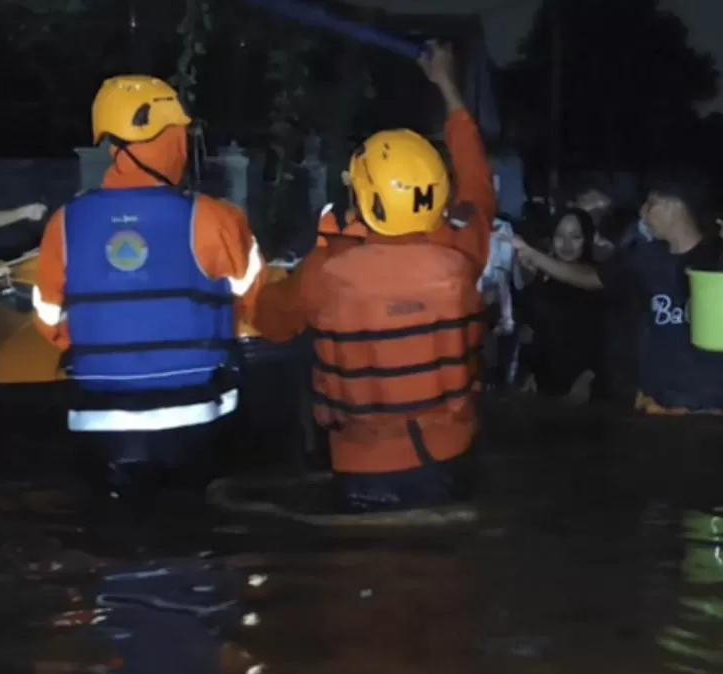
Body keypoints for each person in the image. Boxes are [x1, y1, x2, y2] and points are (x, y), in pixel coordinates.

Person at [252, 42, 495, 514]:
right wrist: (447, 85)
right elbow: (478, 184)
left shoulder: (327, 270)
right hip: (450, 463)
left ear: (364, 198)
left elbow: (270, 322)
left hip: (362, 471)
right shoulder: (462, 250)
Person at [33, 75, 265, 498]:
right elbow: (255, 306)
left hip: (100, 424)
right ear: (172, 139)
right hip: (196, 419)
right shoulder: (216, 218)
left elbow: (49, 325)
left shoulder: (63, 224)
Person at [516, 169, 723, 415]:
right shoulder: (644, 258)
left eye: (650, 203)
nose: (643, 213)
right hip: (651, 404)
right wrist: (533, 256)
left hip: (706, 408)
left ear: (672, 207)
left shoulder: (720, 257)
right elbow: (591, 277)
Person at [517, 208, 604, 403]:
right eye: (559, 236)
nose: (566, 245)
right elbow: (535, 334)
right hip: (544, 390)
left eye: (575, 237)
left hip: (587, 390)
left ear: (587, 239)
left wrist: (589, 378)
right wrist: (530, 372)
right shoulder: (541, 283)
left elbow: (605, 339)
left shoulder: (597, 280)